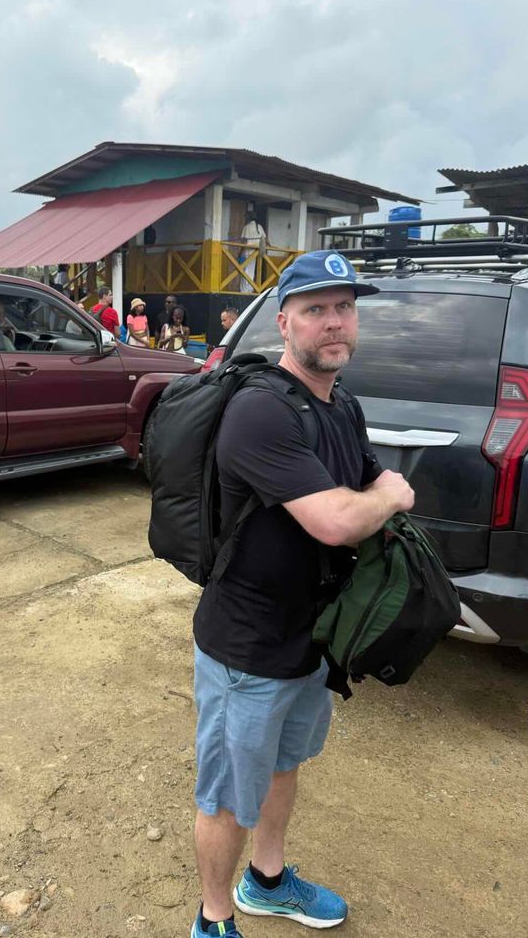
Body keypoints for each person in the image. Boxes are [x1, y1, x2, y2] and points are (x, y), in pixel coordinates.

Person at [189, 250, 415, 938]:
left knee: (285, 765)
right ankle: (214, 916)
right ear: (283, 322)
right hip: (247, 647)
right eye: (315, 309)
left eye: (344, 307)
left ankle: (266, 881)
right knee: (229, 795)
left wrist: (376, 494)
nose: (333, 322)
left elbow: (364, 491)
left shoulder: (343, 404)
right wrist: (392, 493)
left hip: (311, 638)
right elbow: (342, 517)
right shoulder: (261, 411)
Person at [238, 210, 266, 294]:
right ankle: (250, 289)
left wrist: (240, 252)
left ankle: (244, 290)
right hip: (255, 253)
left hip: (247, 252)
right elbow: (264, 239)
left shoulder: (247, 227)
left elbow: (244, 242)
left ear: (248, 218)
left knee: (245, 272)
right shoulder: (259, 227)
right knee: (251, 271)